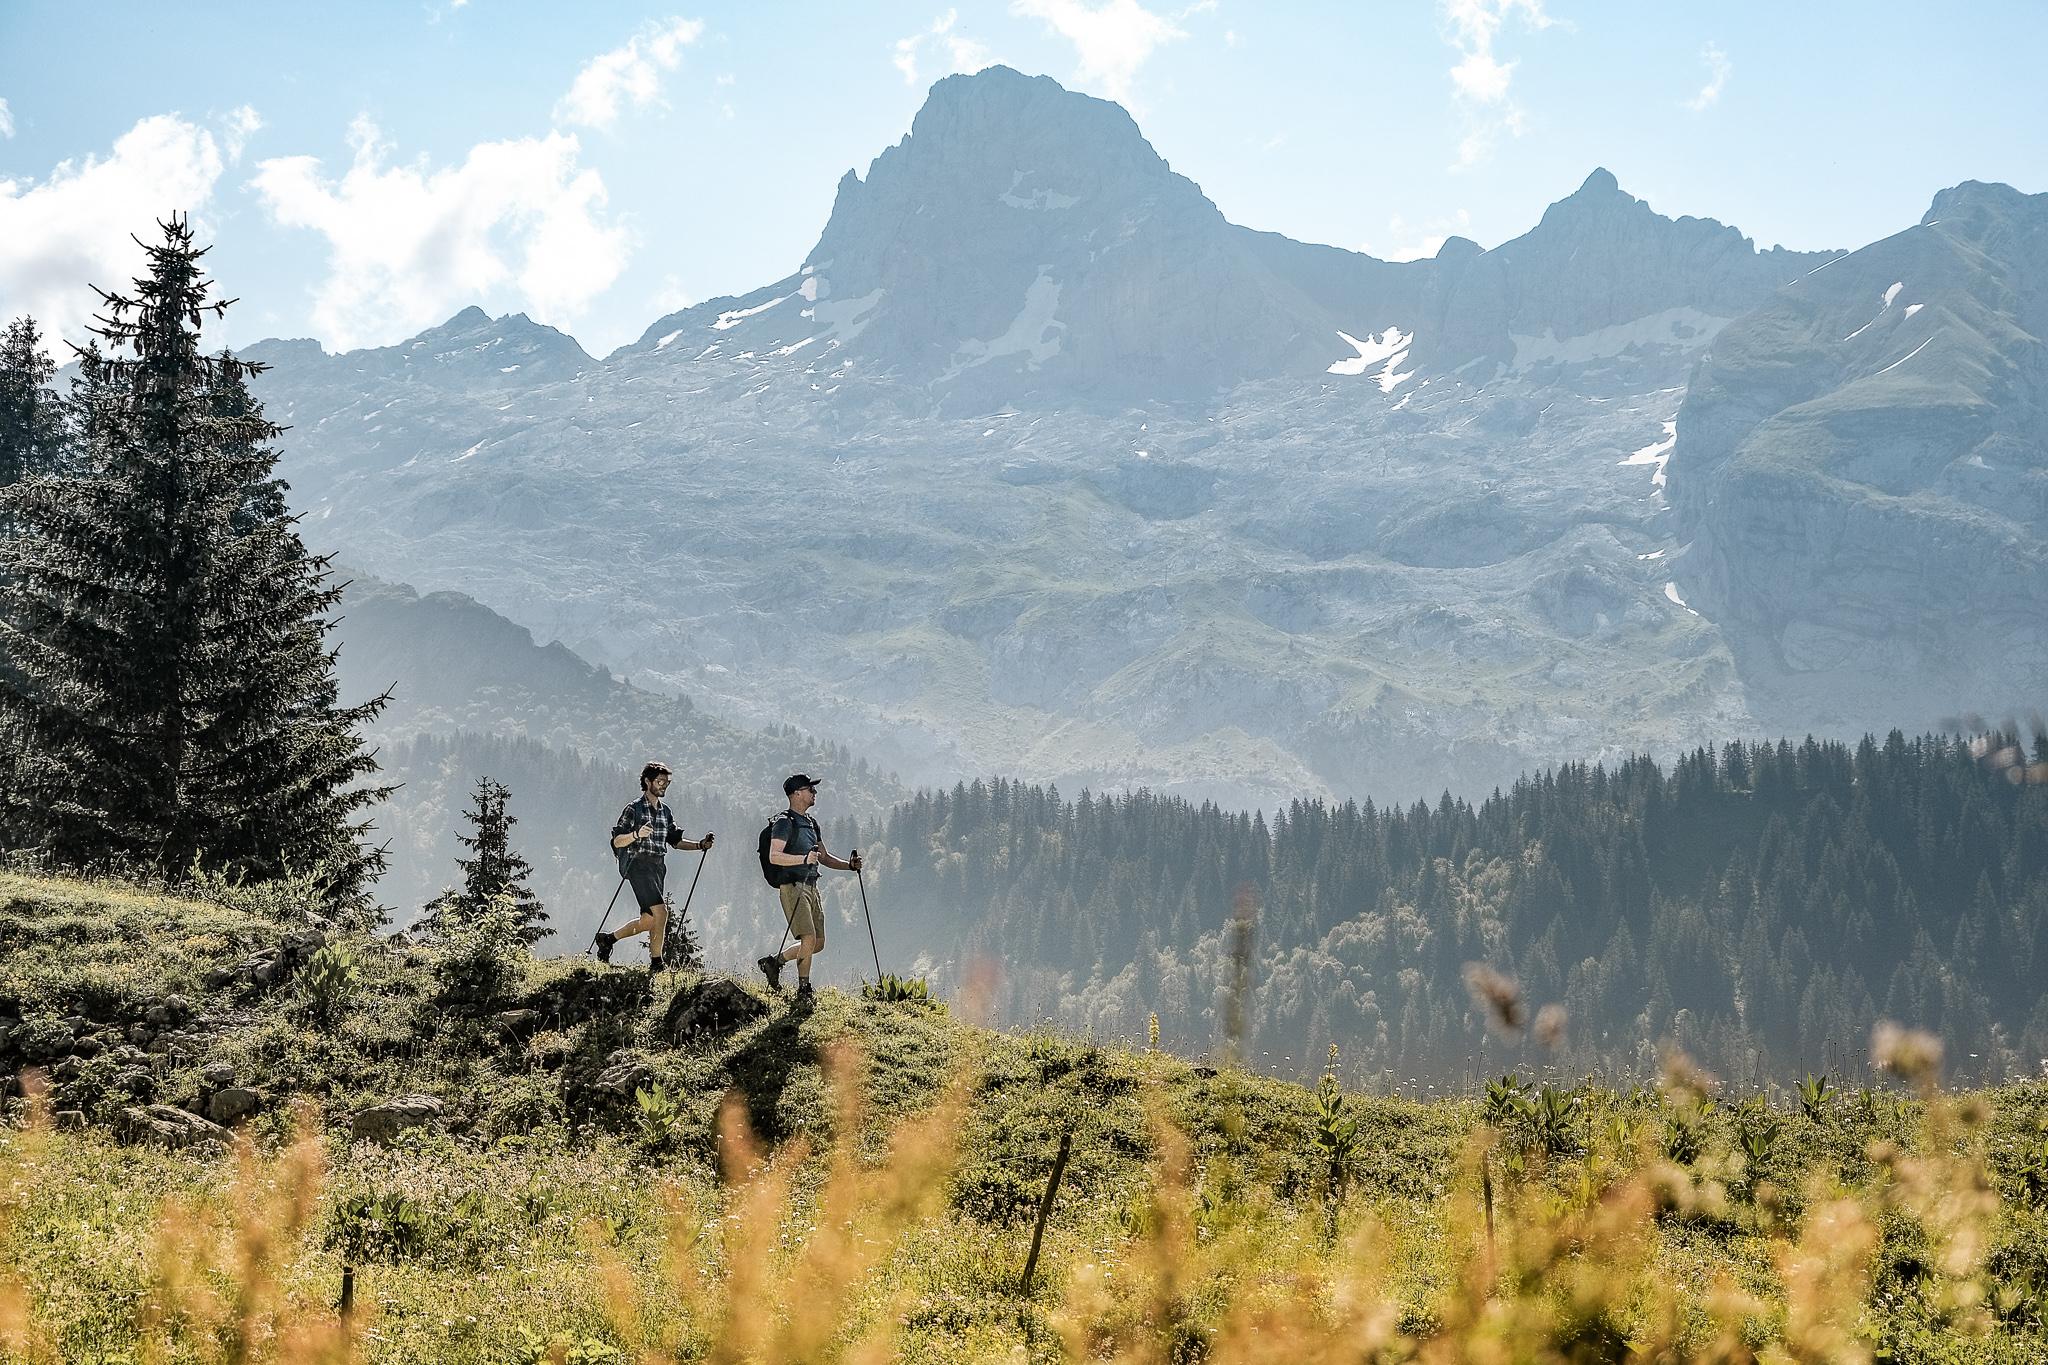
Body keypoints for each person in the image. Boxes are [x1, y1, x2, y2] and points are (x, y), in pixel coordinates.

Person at [595, 762, 713, 977]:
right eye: (660, 781)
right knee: (661, 912)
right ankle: (657, 963)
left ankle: (608, 940)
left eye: (667, 782)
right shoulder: (634, 808)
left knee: (649, 920)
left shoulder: (665, 811)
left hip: (658, 866)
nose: (664, 785)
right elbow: (617, 841)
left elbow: (675, 841)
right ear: (647, 781)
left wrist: (700, 845)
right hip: (638, 865)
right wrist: (636, 834)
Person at [757, 773, 860, 1001]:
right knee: (809, 938)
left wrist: (849, 866)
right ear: (797, 793)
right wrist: (803, 859)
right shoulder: (784, 822)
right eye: (810, 789)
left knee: (818, 943)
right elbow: (775, 856)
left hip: (812, 886)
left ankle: (774, 962)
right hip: (793, 886)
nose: (815, 792)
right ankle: (804, 990)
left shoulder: (812, 823)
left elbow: (824, 857)